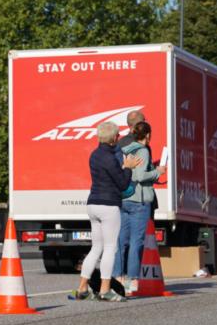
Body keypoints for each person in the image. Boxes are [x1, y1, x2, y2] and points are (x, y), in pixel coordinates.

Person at [71, 121, 143, 302]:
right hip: (108, 205)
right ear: (114, 138)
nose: (119, 138)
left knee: (96, 248)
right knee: (111, 248)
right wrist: (128, 167)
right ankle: (105, 290)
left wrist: (124, 166)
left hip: (93, 204)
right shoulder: (111, 158)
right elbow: (123, 184)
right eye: (118, 136)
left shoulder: (94, 155)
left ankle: (82, 288)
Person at [111, 122, 167, 291]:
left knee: (121, 241)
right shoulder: (143, 150)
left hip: (124, 199)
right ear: (148, 135)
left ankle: (117, 277)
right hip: (139, 201)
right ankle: (133, 279)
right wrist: (158, 171)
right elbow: (141, 176)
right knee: (137, 241)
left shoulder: (124, 149)